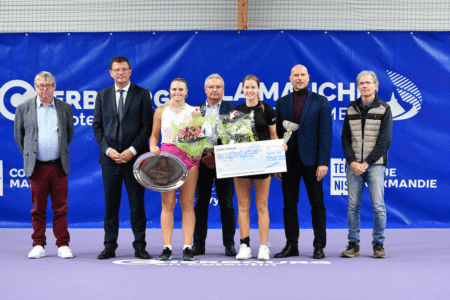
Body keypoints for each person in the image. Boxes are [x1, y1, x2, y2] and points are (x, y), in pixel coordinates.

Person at [93, 56, 153, 260]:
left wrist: (133, 150)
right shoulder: (102, 95)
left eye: (124, 69)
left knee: (137, 205)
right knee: (111, 206)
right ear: (110, 73)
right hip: (109, 160)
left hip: (134, 160)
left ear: (130, 71)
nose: (120, 73)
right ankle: (109, 245)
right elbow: (97, 126)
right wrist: (108, 150)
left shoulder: (143, 94)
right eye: (116, 70)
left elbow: (147, 126)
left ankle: (140, 246)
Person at [14, 71, 74, 259]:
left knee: (61, 208)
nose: (44, 89)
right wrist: (31, 155)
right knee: (38, 208)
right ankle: (38, 244)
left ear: (54, 86)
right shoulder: (24, 108)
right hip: (37, 167)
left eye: (48, 85)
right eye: (41, 86)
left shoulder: (65, 108)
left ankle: (63, 244)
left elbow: (68, 135)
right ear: (35, 87)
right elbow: (19, 137)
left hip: (58, 166)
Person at [274, 64, 332, 259]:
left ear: (308, 77)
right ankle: (292, 245)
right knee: (289, 204)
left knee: (317, 203)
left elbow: (326, 134)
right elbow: (278, 135)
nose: (299, 78)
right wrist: (276, 161)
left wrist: (323, 162)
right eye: (296, 75)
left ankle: (319, 246)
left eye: (303, 75)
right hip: (288, 162)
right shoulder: (281, 102)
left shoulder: (320, 101)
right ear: (290, 78)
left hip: (313, 162)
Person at [341, 70, 393, 259]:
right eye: (361, 83)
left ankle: (378, 244)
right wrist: (352, 161)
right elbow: (345, 138)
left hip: (375, 166)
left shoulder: (384, 109)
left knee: (378, 206)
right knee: (352, 206)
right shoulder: (351, 108)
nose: (364, 86)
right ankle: (353, 244)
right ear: (358, 87)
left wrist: (366, 163)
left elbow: (385, 141)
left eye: (368, 83)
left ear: (376, 86)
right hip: (354, 166)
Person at [149, 78, 201, 261]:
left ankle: (188, 247)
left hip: (188, 160)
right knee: (167, 204)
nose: (177, 92)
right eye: (174, 89)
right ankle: (167, 247)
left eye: (180, 89)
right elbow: (154, 137)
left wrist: (197, 153)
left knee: (187, 204)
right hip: (167, 161)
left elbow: (198, 139)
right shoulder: (160, 111)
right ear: (169, 91)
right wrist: (153, 147)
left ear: (186, 91)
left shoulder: (195, 112)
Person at [234, 74, 283, 261]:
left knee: (262, 206)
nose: (249, 90)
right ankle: (245, 245)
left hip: (262, 163)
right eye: (246, 87)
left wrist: (278, 157)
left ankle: (263, 246)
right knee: (243, 205)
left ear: (258, 89)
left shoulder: (268, 110)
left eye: (253, 87)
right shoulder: (236, 111)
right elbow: (231, 138)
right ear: (242, 89)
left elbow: (273, 136)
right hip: (241, 164)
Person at [192, 74, 237, 257]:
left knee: (227, 204)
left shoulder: (232, 110)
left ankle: (229, 244)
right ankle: (198, 244)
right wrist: (203, 154)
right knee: (200, 204)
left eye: (218, 87)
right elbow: (190, 138)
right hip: (202, 163)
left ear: (223, 90)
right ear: (205, 90)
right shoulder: (196, 111)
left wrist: (217, 155)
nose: (214, 90)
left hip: (224, 162)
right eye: (211, 87)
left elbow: (237, 138)